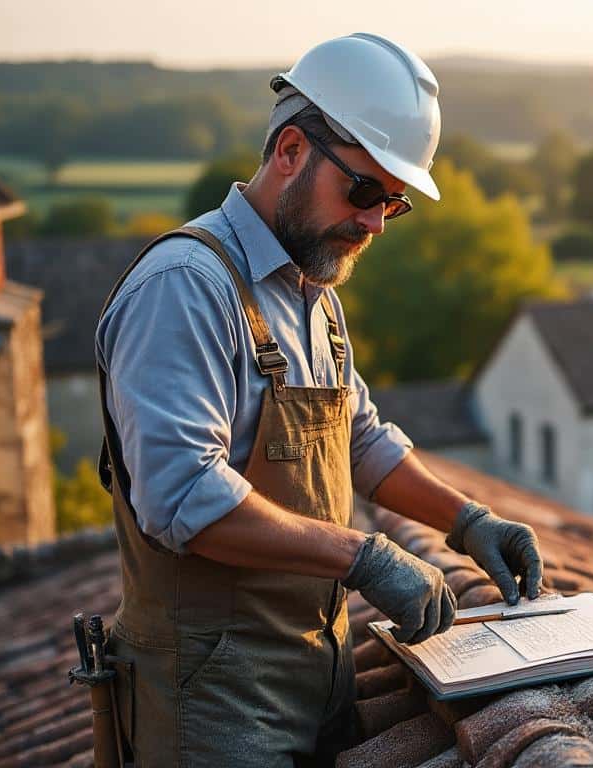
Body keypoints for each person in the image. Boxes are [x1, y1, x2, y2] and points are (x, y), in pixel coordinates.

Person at [95, 33, 544, 767]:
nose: (374, 223)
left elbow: (359, 439)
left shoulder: (312, 294)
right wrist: (362, 556)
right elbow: (180, 496)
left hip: (313, 681)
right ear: (291, 150)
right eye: (364, 192)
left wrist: (467, 521)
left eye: (393, 203)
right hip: (208, 705)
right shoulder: (186, 287)